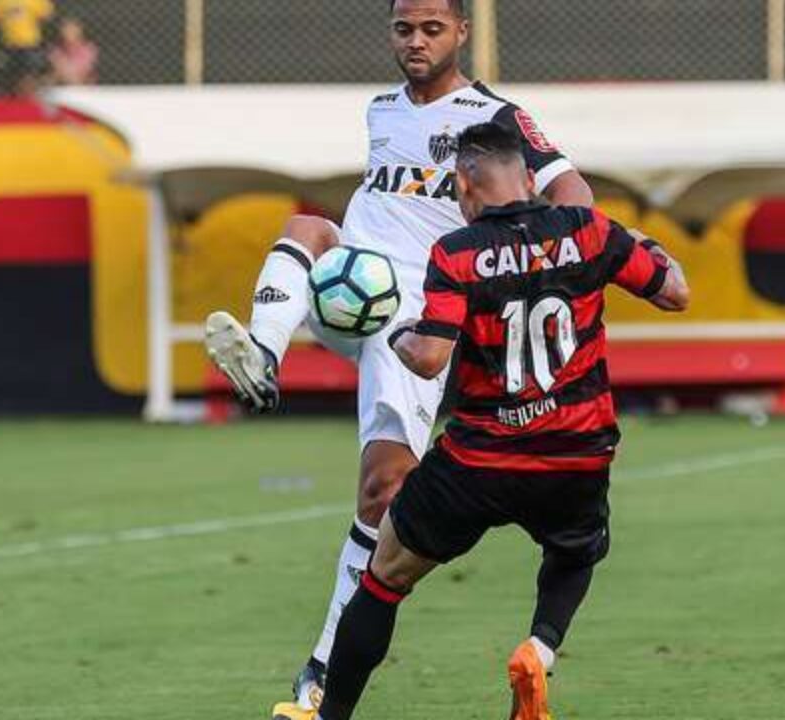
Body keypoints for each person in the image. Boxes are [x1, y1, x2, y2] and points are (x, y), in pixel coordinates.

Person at [202, 1, 594, 716]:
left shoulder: (495, 115)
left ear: (461, 33)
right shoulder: (381, 109)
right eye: (403, 29)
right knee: (306, 226)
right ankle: (262, 354)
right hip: (352, 289)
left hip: (418, 315)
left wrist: (539, 257)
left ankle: (320, 669)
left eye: (431, 29)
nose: (415, 42)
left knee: (383, 491)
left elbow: (572, 191)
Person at [308, 122, 689, 720]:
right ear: (531, 178)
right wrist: (643, 244)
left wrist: (400, 334)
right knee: (574, 554)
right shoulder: (589, 231)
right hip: (576, 452)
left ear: (462, 184)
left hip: (479, 460)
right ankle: (540, 648)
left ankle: (329, 716)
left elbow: (431, 357)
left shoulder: (457, 253)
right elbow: (674, 293)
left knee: (383, 578)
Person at [0, 0, 53, 95]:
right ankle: (19, 96)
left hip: (31, 43)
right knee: (13, 76)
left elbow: (47, 15)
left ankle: (30, 94)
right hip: (9, 45)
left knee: (30, 74)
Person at [47, 17, 96, 86]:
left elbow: (84, 72)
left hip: (81, 85)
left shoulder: (88, 49)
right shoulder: (55, 50)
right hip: (60, 83)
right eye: (66, 28)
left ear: (79, 31)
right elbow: (56, 72)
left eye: (72, 29)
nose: (68, 32)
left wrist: (67, 72)